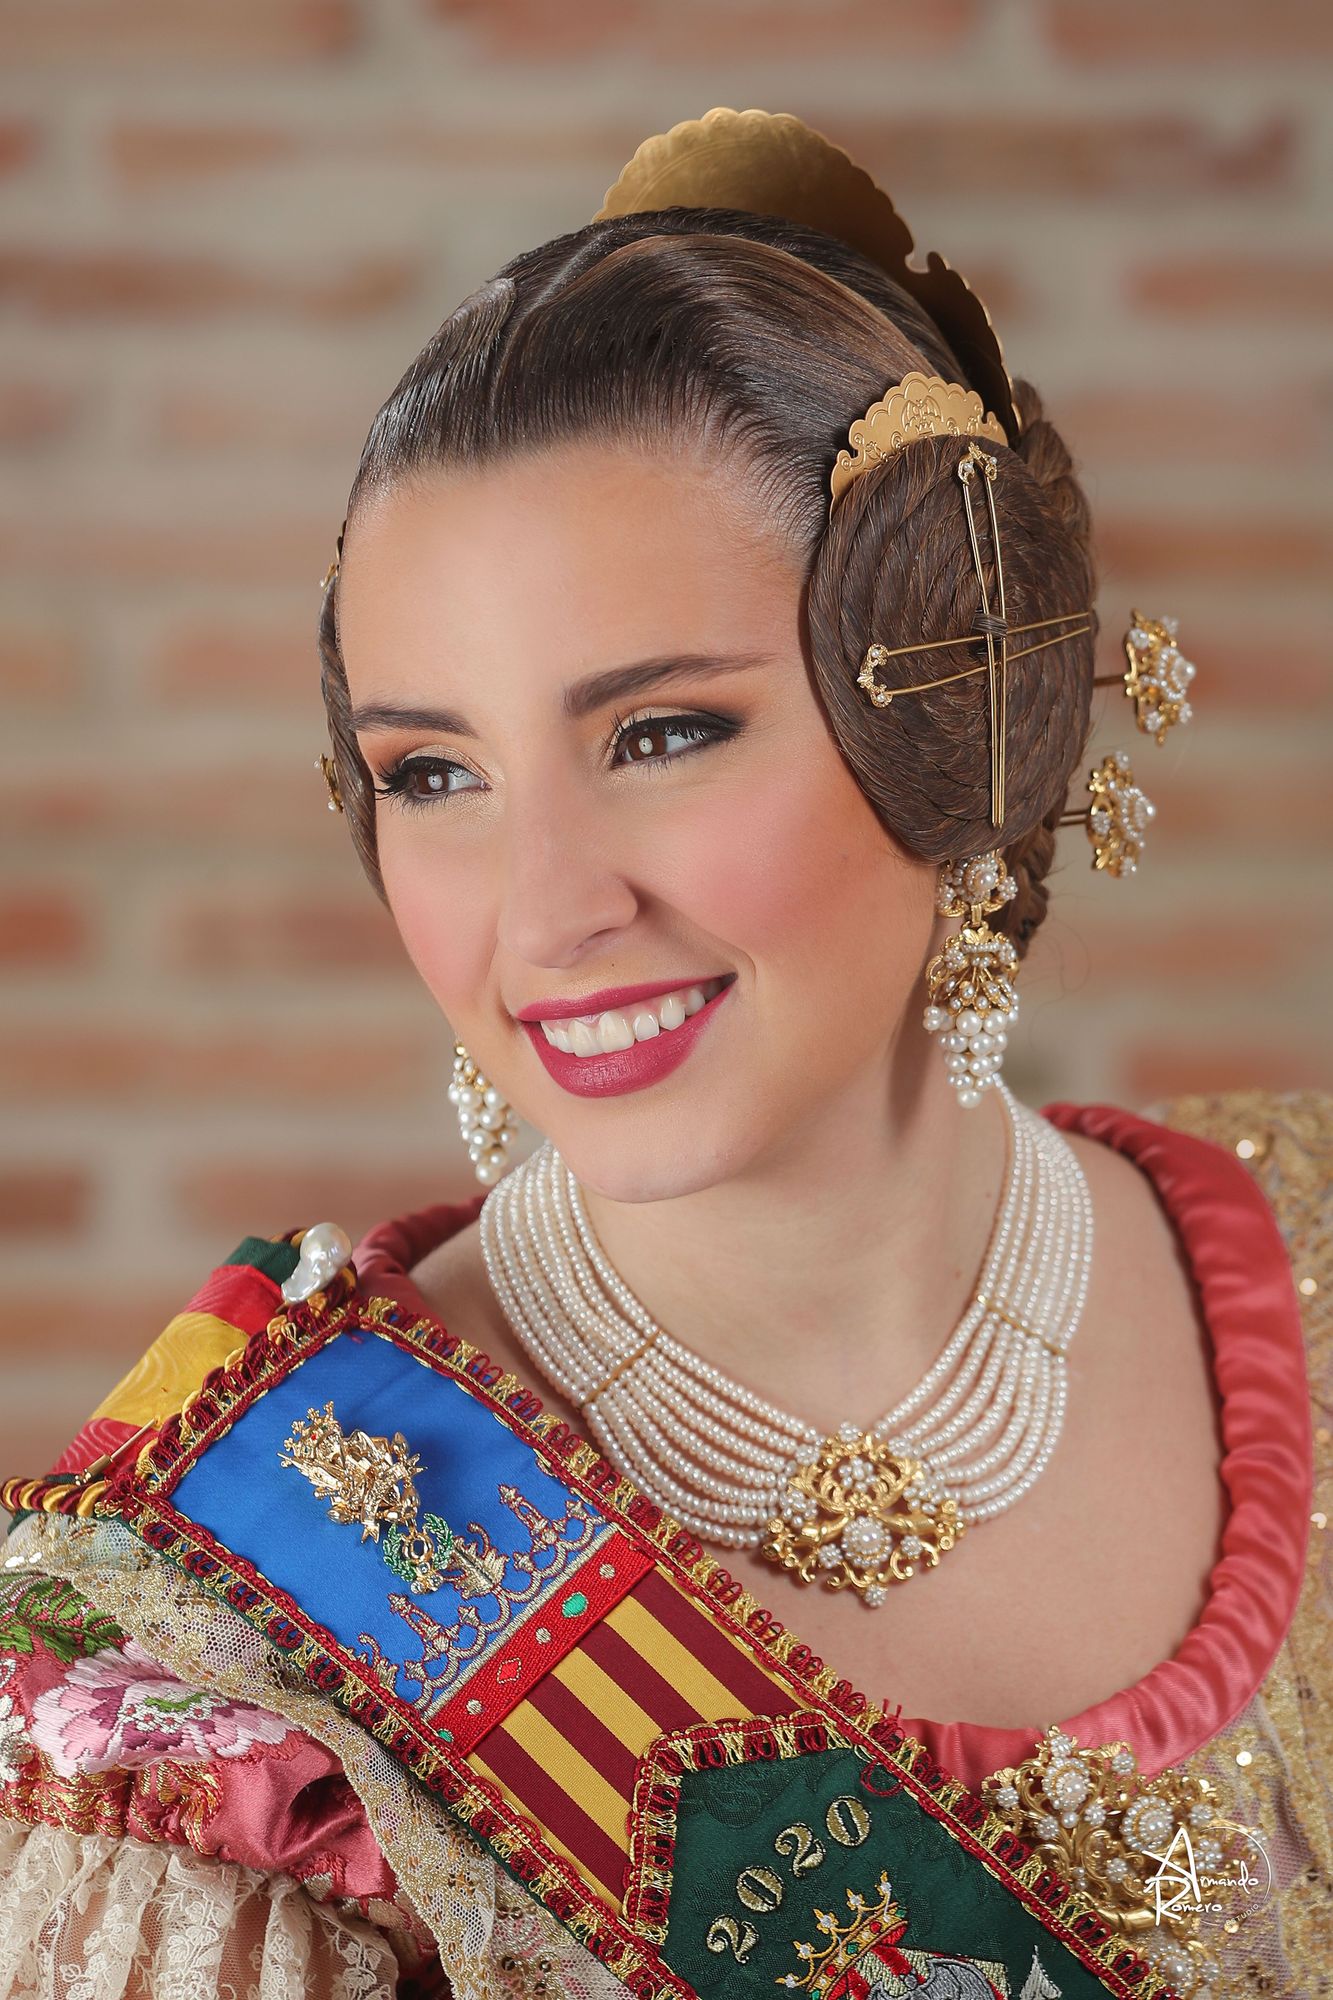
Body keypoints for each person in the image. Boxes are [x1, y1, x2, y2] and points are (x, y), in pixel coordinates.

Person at [0, 108, 1326, 2000]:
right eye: (432, 774)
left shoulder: (1306, 1250)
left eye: (661, 735)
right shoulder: (232, 1645)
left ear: (964, 714)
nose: (545, 911)